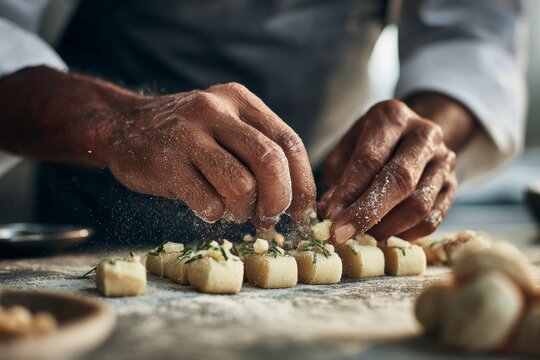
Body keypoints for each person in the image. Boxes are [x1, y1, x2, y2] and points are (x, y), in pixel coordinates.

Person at [0, 0, 527, 246]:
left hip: (333, 191)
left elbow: (468, 35)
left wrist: (424, 131)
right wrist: (122, 123)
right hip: (97, 200)